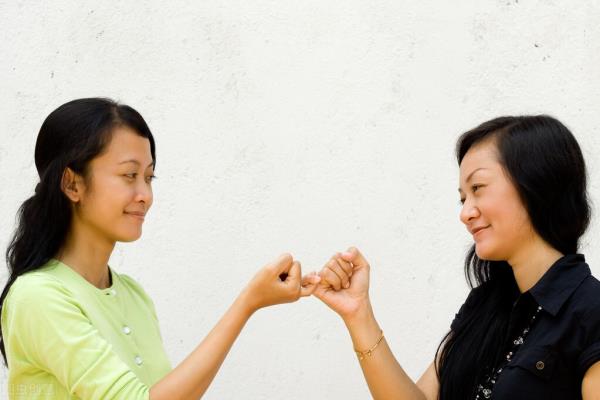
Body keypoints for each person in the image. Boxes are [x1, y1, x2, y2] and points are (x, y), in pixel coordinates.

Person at [0, 97, 320, 399]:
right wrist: (248, 303)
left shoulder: (133, 295)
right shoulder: (38, 296)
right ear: (72, 184)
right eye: (129, 175)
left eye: (149, 177)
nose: (145, 195)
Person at [309, 116, 600, 399]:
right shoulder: (483, 306)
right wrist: (358, 314)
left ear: (537, 183)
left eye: (478, 189)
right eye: (463, 198)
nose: (465, 213)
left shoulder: (590, 313)